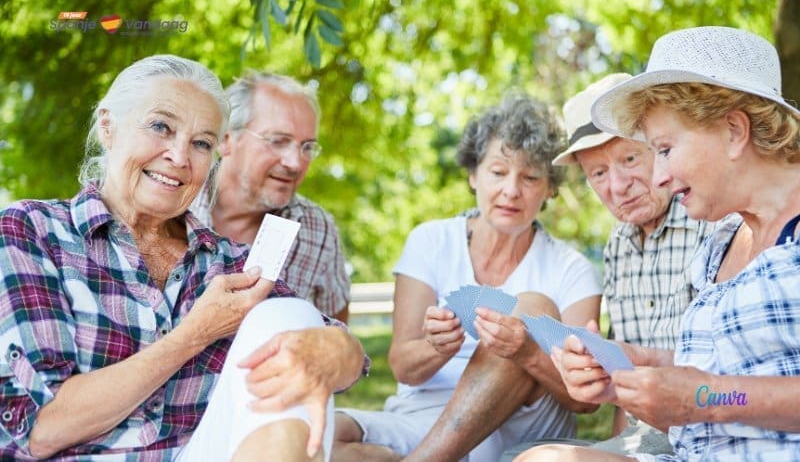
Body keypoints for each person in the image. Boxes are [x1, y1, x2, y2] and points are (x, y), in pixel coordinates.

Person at [0, 55, 367, 461]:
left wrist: (337, 350)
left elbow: (346, 350)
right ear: (108, 126)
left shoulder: (225, 262)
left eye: (201, 143)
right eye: (161, 127)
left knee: (287, 317)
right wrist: (196, 333)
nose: (179, 156)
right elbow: (42, 429)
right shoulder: (32, 230)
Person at [517, 26, 800, 461]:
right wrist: (628, 367)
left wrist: (710, 399)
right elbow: (720, 371)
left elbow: (716, 392)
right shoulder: (722, 243)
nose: (657, 177)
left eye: (664, 149)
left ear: (733, 130)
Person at [333, 91, 603, 461]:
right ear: (474, 175)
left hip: (517, 424)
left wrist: (527, 351)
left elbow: (585, 400)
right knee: (321, 436)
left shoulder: (572, 269)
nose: (511, 190)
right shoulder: (430, 240)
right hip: (422, 418)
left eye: (530, 177)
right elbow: (403, 368)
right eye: (497, 172)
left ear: (550, 188)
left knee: (530, 308)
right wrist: (435, 346)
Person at [500, 74, 715, 461]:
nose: (618, 186)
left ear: (660, 148)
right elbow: (625, 387)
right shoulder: (619, 242)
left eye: (630, 159)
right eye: (598, 173)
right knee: (513, 453)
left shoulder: (709, 220)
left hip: (703, 429)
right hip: (642, 437)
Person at [191, 72, 350, 322]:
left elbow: (336, 334)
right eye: (278, 141)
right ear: (226, 139)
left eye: (307, 147)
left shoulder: (316, 227)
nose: (295, 163)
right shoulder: (173, 200)